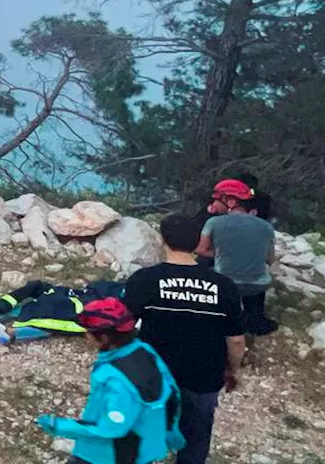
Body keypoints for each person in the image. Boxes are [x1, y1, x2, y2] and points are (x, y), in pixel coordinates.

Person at [123, 213, 247, 464]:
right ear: (197, 244)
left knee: (141, 434)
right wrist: (232, 370)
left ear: (162, 240)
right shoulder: (224, 286)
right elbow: (235, 340)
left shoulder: (144, 280)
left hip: (154, 376)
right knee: (196, 438)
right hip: (204, 377)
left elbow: (121, 328)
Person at [35, 298, 185, 464]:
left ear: (105, 338)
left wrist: (59, 426)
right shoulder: (144, 350)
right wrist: (172, 433)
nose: (86, 336)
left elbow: (112, 428)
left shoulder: (115, 379)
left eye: (89, 332)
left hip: (110, 455)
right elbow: (172, 393)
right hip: (145, 446)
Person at [196, 180, 279, 338]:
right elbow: (269, 260)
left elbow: (201, 249)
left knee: (203, 266)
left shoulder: (213, 222)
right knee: (255, 279)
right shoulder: (266, 226)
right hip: (258, 286)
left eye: (217, 200)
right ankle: (255, 321)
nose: (213, 204)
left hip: (227, 285)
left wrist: (220, 254)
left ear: (231, 201)